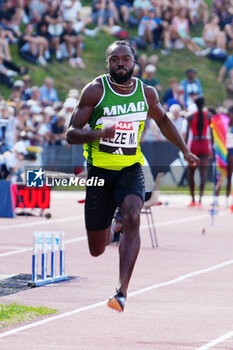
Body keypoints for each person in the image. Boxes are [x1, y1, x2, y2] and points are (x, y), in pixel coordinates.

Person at [66, 40, 199, 312]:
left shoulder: (146, 93)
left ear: (134, 63)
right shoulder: (95, 91)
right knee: (97, 248)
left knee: (133, 214)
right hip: (100, 171)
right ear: (108, 63)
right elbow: (71, 134)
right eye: (114, 59)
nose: (120, 64)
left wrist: (184, 150)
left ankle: (122, 292)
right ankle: (113, 227)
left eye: (125, 59)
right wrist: (98, 133)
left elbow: (163, 120)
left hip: (130, 167)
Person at [186, 96, 211, 206]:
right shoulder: (209, 116)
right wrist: (212, 147)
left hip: (194, 144)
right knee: (203, 173)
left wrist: (185, 150)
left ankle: (193, 199)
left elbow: (187, 135)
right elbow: (213, 134)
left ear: (195, 104)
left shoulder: (190, 117)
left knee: (191, 173)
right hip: (205, 143)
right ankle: (200, 199)